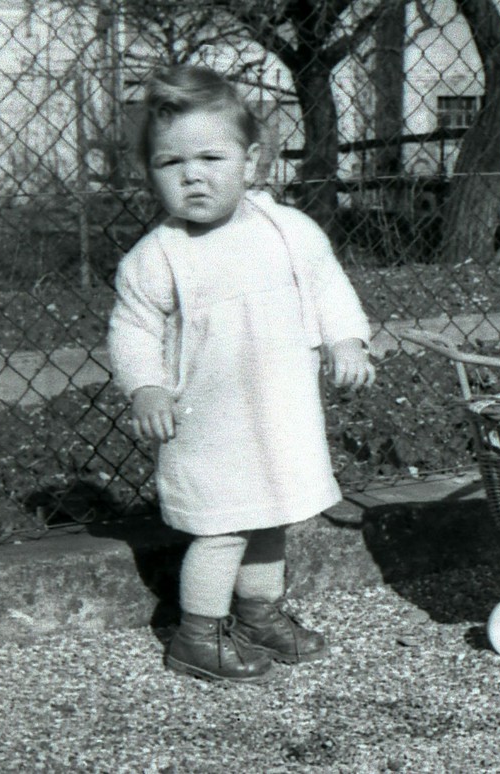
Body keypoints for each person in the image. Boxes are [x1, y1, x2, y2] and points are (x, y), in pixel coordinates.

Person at [108, 65, 375, 683]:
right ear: (150, 171)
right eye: (170, 163)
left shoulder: (288, 230)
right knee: (224, 525)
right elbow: (133, 331)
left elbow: (328, 286)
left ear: (251, 162)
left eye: (211, 157)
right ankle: (196, 634)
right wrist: (145, 385)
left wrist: (346, 339)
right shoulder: (156, 257)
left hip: (279, 409)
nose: (192, 175)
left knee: (273, 514)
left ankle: (259, 614)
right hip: (208, 419)